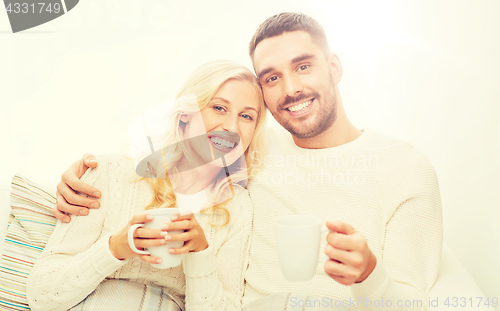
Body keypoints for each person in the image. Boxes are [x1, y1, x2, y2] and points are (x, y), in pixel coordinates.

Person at [54, 13, 443, 311]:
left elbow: (410, 303)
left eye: (303, 66)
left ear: (335, 67)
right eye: (271, 78)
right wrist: (77, 177)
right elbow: (149, 165)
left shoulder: (405, 171)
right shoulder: (244, 147)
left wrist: (369, 275)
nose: (291, 89)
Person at [26, 60, 267, 311]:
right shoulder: (109, 173)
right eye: (219, 108)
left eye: (246, 116)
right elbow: (41, 297)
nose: (231, 127)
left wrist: (200, 254)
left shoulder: (238, 208)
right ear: (185, 115)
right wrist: (117, 247)